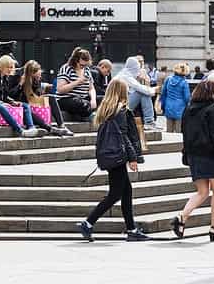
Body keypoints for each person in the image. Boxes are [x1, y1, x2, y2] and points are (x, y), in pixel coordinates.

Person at [78, 78, 148, 242]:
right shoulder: (120, 110)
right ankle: (88, 223)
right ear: (122, 92)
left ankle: (131, 228)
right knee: (115, 194)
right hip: (119, 156)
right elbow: (124, 137)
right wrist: (133, 158)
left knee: (126, 192)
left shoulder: (107, 109)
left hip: (110, 155)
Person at [170, 78, 214, 241]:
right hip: (210, 154)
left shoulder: (188, 109)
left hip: (193, 154)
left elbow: (185, 134)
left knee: (202, 192)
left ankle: (182, 217)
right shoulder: (213, 109)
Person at [0, 56, 40, 138]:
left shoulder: (5, 78)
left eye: (11, 67)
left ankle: (31, 127)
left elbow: (5, 97)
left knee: (24, 105)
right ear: (1, 66)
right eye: (8, 67)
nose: (10, 69)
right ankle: (20, 131)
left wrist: (12, 102)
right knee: (1, 107)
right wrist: (1, 103)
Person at [15, 60, 72, 136]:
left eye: (39, 74)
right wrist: (20, 85)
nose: (39, 76)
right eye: (37, 75)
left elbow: (37, 95)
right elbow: (12, 94)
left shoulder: (37, 80)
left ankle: (62, 125)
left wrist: (37, 84)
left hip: (34, 104)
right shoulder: (19, 78)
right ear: (31, 73)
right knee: (27, 108)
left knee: (51, 98)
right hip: (23, 106)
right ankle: (50, 128)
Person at [117, 56, 158, 132]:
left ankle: (149, 121)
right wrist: (153, 90)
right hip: (120, 105)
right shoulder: (127, 76)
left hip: (121, 103)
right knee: (143, 93)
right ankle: (149, 122)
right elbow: (140, 88)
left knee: (143, 93)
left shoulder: (123, 73)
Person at [56, 48, 96, 121]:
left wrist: (93, 100)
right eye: (81, 65)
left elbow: (91, 88)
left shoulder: (87, 70)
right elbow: (60, 89)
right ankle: (88, 116)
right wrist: (77, 82)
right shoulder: (66, 68)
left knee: (103, 99)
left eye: (86, 65)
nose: (83, 67)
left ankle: (81, 115)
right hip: (67, 99)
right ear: (75, 61)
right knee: (81, 104)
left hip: (83, 98)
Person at [159, 62, 192, 133]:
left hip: (168, 106)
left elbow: (163, 94)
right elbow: (187, 98)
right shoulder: (184, 82)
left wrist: (163, 106)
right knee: (179, 131)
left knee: (169, 131)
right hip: (180, 108)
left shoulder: (168, 79)